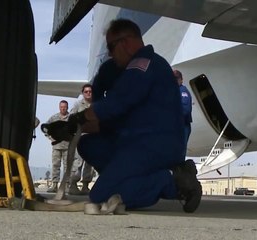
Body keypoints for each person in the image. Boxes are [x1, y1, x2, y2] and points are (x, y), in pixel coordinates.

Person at [57, 19, 201, 213]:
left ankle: (173, 181)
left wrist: (80, 118)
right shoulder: (118, 70)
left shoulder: (144, 64)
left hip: (154, 145)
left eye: (111, 46)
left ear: (125, 43)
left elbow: (119, 101)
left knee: (100, 197)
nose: (109, 53)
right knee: (87, 144)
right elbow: (112, 113)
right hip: (132, 141)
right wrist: (75, 128)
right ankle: (126, 179)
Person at [68, 84, 95, 195]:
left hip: (93, 137)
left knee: (89, 163)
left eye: (90, 91)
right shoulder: (78, 104)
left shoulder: (96, 105)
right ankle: (73, 185)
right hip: (80, 137)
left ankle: (85, 185)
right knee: (78, 162)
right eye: (86, 91)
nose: (88, 93)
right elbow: (71, 119)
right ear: (83, 93)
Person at [45, 100, 70, 193]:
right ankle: (54, 184)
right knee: (56, 165)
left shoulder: (71, 118)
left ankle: (67, 185)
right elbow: (45, 128)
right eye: (61, 107)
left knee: (67, 166)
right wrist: (51, 138)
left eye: (64, 107)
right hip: (57, 146)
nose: (63, 108)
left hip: (68, 146)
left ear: (67, 107)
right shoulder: (54, 118)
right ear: (59, 107)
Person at [173, 69, 192, 158]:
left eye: (177, 78)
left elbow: (185, 109)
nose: (175, 80)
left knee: (179, 153)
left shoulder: (182, 91)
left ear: (181, 79)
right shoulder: (172, 91)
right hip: (175, 127)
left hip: (182, 126)